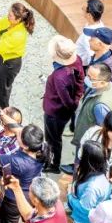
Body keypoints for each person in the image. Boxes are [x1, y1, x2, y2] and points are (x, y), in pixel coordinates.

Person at [66, 64, 112, 175]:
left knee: (81, 164)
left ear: (103, 82)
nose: (87, 79)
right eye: (88, 75)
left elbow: (103, 130)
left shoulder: (100, 106)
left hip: (88, 141)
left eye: (91, 78)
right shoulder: (107, 86)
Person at [0, 2, 35, 108]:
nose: (7, 16)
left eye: (10, 15)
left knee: (1, 88)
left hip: (10, 62)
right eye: (9, 13)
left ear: (18, 20)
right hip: (0, 55)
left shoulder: (19, 35)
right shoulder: (9, 20)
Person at [42, 35, 84, 174]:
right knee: (55, 136)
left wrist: (72, 105)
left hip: (55, 112)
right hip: (64, 111)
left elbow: (65, 99)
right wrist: (76, 100)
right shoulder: (77, 60)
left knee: (52, 139)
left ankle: (54, 164)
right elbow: (80, 81)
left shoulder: (59, 76)